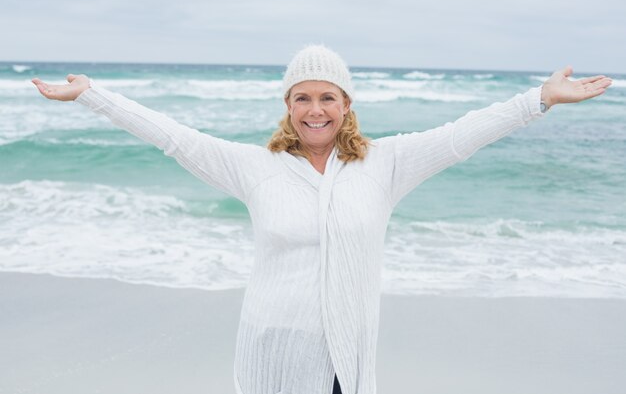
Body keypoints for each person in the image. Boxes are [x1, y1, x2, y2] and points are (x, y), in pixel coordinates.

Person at [32, 45, 611, 394]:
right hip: (275, 346)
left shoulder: (386, 164)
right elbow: (175, 139)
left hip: (347, 352)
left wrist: (539, 98)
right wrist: (91, 96)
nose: (315, 110)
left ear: (347, 105)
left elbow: (461, 136)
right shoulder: (254, 167)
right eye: (302, 97)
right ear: (287, 105)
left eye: (328, 97)